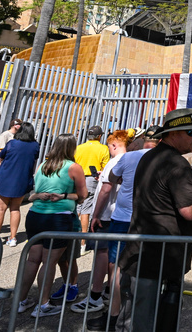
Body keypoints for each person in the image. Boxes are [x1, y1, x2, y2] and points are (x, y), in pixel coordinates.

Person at [121, 109, 192, 332]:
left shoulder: (150, 157)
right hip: (158, 257)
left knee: (139, 318)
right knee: (143, 322)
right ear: (174, 134)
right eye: (191, 131)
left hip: (147, 253)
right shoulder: (176, 164)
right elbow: (190, 212)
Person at [86, 125, 161, 330]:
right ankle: (137, 315)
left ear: (143, 139)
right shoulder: (164, 158)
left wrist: (96, 215)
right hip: (148, 219)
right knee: (143, 270)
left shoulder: (129, 157)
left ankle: (114, 316)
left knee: (118, 269)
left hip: (122, 218)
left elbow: (110, 180)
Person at [15, 133, 88, 318]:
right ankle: (43, 304)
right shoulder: (74, 167)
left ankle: (21, 301)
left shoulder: (42, 165)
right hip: (58, 218)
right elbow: (83, 195)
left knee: (33, 260)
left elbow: (37, 191)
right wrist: (65, 196)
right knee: (49, 262)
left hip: (35, 215)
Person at [73, 129, 129, 315]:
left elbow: (105, 190)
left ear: (114, 145)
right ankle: (107, 292)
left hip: (106, 215)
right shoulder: (129, 161)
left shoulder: (115, 161)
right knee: (111, 257)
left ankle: (95, 295)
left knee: (102, 254)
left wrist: (95, 215)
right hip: (116, 214)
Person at [0, 121, 39, 247]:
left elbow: (2, 155)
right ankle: (13, 238)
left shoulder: (12, 143)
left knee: (0, 209)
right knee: (15, 209)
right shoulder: (35, 146)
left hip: (6, 178)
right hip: (22, 180)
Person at [74, 125, 110, 239]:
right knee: (86, 208)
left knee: (77, 207)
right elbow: (105, 167)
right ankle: (83, 241)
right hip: (92, 179)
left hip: (77, 177)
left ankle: (71, 235)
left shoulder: (79, 147)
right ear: (99, 136)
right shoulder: (103, 148)